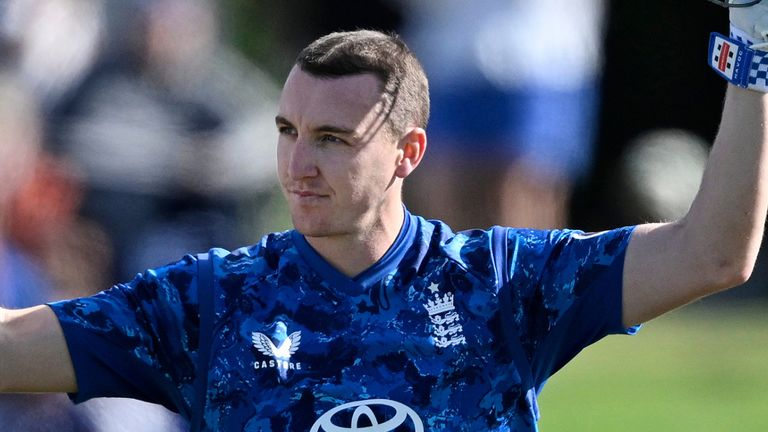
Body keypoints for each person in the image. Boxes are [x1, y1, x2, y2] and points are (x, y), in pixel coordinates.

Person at [1, 3, 767, 431]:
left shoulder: (499, 282)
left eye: (334, 140)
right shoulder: (211, 300)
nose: (299, 164)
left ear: (408, 153)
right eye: (288, 132)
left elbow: (711, 252)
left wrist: (755, 41)